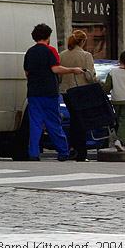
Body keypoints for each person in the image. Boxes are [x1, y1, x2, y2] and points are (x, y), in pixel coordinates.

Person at [23, 23, 85, 162]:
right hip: (49, 92)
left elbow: (27, 72)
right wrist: (72, 70)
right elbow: (55, 69)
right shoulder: (50, 51)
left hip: (33, 93)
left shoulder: (30, 52)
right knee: (53, 123)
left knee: (35, 124)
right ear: (48, 37)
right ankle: (63, 151)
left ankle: (33, 153)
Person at [59, 30, 96, 162]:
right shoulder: (86, 56)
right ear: (82, 41)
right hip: (81, 91)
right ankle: (81, 152)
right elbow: (90, 76)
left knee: (73, 119)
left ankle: (72, 147)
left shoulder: (62, 55)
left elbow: (59, 76)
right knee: (80, 121)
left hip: (66, 91)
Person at [102, 51, 125, 152]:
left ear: (120, 60)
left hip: (116, 99)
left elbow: (107, 87)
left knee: (119, 122)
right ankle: (120, 141)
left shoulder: (112, 72)